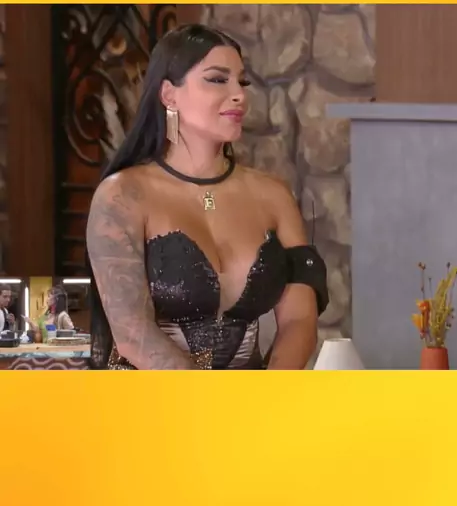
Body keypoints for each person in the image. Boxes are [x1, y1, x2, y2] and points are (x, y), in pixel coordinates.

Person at [86, 23, 329, 370]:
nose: (239, 94)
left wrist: (271, 393)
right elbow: (132, 333)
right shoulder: (123, 195)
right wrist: (208, 400)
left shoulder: (274, 196)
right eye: (217, 79)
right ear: (169, 95)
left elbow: (299, 321)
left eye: (242, 82)